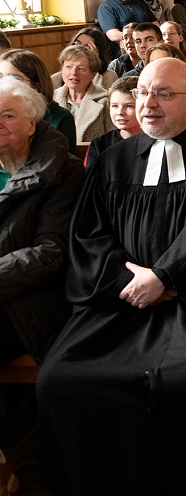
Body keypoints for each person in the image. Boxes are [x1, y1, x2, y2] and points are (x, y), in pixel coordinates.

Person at [37, 58, 186, 495]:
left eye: (163, 94)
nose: (147, 104)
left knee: (182, 382)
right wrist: (124, 279)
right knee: (58, 378)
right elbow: (88, 234)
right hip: (117, 300)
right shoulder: (113, 159)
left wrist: (166, 277)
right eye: (142, 93)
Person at [0, 74, 85, 371]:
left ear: (32, 124)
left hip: (28, 305)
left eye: (8, 115)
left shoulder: (62, 172)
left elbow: (51, 253)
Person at [0, 49, 76, 152]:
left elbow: (57, 163)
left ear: (35, 85)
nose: (5, 84)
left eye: (15, 78)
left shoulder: (60, 118)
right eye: (0, 77)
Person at [52, 45, 114, 144]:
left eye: (81, 68)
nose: (73, 73)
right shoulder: (51, 99)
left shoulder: (106, 101)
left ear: (93, 74)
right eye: (68, 67)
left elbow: (112, 139)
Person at [86, 76, 141, 167]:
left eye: (129, 106)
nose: (120, 112)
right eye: (115, 106)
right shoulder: (99, 144)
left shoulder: (157, 142)